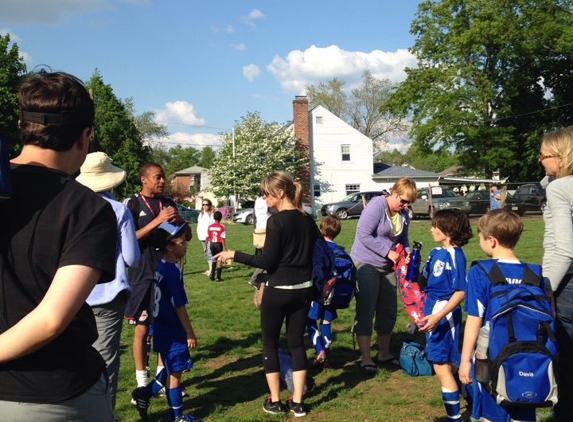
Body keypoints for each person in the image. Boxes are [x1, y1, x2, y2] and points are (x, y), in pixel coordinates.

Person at [0, 70, 117, 420]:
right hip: (55, 398)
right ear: (85, 137)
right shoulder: (88, 208)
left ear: (22, 128)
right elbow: (51, 320)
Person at [214, 171, 318, 417]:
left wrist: (234, 254)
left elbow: (268, 261)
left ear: (280, 193)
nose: (263, 197)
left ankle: (275, 400)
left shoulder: (277, 221)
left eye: (266, 192)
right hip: (304, 289)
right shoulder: (307, 219)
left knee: (270, 344)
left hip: (278, 290)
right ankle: (299, 402)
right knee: (297, 344)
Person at [459, 209, 546, 422]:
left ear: (492, 241)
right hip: (529, 357)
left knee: (492, 414)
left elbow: (474, 319)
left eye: (480, 237)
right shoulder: (535, 273)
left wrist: (464, 360)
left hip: (491, 357)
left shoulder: (480, 271)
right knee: (523, 407)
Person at [76, 151, 140, 410]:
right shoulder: (118, 210)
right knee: (106, 361)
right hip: (108, 294)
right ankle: (104, 413)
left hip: (73, 295)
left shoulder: (71, 205)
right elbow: (132, 257)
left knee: (76, 358)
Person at [124, 162, 192, 390]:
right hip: (142, 274)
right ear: (144, 179)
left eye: (163, 177)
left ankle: (161, 379)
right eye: (158, 177)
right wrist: (158, 221)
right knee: (142, 330)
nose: (162, 181)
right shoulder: (132, 204)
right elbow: (129, 239)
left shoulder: (169, 203)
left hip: (166, 273)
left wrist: (180, 221)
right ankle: (141, 381)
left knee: (167, 327)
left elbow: (187, 234)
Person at [131, 222, 200, 422]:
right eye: (181, 242)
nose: (186, 245)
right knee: (176, 374)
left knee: (171, 368)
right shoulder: (171, 272)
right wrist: (189, 332)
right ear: (169, 247)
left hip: (160, 327)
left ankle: (144, 393)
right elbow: (179, 306)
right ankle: (176, 417)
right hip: (173, 331)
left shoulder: (160, 266)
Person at [350, 177, 417, 372]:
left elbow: (403, 238)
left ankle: (384, 353)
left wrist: (406, 252)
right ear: (393, 192)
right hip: (366, 263)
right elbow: (363, 234)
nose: (404, 205)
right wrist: (388, 251)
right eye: (402, 200)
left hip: (390, 266)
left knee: (388, 310)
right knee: (366, 309)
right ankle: (365, 357)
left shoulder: (404, 214)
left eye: (408, 203)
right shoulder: (376, 205)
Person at [418, 209, 473, 422]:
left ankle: (455, 418)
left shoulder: (456, 255)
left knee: (442, 366)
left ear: (448, 230)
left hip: (444, 315)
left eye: (435, 226)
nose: (431, 229)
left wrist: (438, 316)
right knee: (447, 364)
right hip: (431, 311)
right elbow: (422, 284)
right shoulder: (435, 252)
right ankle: (476, 401)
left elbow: (460, 292)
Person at [539, 126, 573, 421]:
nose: (541, 161)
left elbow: (563, 249)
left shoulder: (560, 189)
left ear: (562, 158)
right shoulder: (557, 184)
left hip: (567, 283)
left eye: (544, 155)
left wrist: (545, 287)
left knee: (565, 353)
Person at [307, 215, 355, 367]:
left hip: (319, 293)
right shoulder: (342, 252)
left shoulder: (318, 249)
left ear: (321, 229)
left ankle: (319, 350)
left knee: (310, 320)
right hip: (335, 294)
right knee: (326, 322)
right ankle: (325, 355)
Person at [206, 210, 226, 281]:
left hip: (212, 244)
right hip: (218, 244)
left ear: (214, 218)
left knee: (214, 258)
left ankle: (212, 274)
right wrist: (224, 247)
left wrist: (205, 247)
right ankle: (218, 277)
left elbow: (207, 237)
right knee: (219, 259)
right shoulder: (222, 226)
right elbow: (222, 238)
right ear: (221, 218)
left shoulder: (210, 227)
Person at [196, 198, 215, 276]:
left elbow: (212, 226)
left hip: (209, 237)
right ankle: (210, 268)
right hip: (202, 236)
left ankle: (211, 270)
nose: (205, 206)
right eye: (203, 204)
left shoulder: (212, 215)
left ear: (210, 205)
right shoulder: (201, 214)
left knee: (209, 253)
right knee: (207, 253)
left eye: (206, 204)